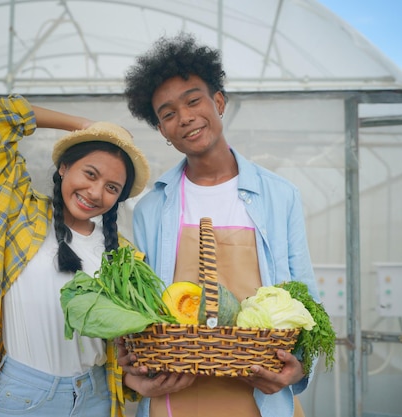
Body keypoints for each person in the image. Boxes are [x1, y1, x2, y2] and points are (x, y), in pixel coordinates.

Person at [117, 32, 320, 417]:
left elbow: (305, 293)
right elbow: (141, 311)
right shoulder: (151, 208)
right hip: (174, 395)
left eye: (193, 101)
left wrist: (298, 368)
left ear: (219, 102)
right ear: (161, 130)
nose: (186, 118)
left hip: (261, 392)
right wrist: (130, 367)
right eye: (168, 113)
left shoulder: (280, 196)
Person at [0, 94, 149, 417]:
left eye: (112, 188)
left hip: (96, 396)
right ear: (64, 167)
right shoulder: (18, 212)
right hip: (26, 395)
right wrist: (84, 127)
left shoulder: (124, 255)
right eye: (90, 174)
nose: (95, 193)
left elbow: (129, 338)